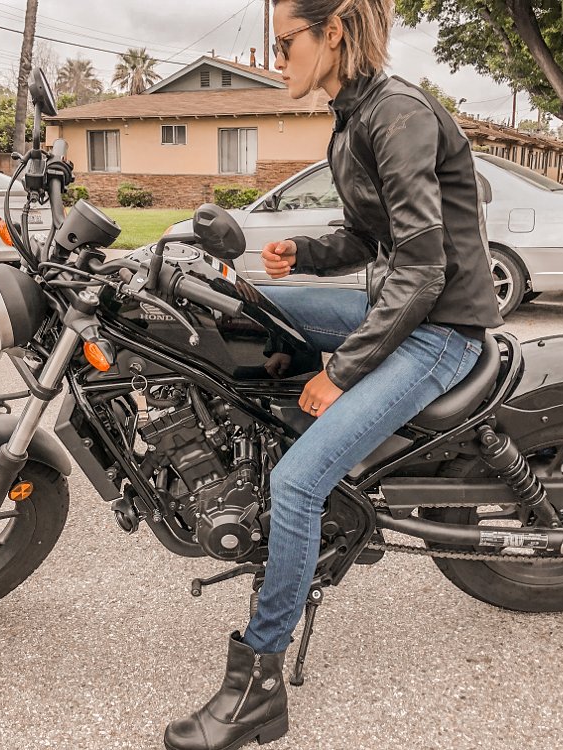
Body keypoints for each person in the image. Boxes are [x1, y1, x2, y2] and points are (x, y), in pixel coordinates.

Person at [163, 1, 503, 748]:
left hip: (439, 329)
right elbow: (369, 235)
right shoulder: (354, 115)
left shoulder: (398, 114)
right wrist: (306, 254)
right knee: (242, 307)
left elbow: (423, 267)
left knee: (298, 482)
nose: (277, 58)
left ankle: (257, 685)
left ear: (335, 33)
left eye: (286, 43)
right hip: (398, 307)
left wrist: (342, 374)